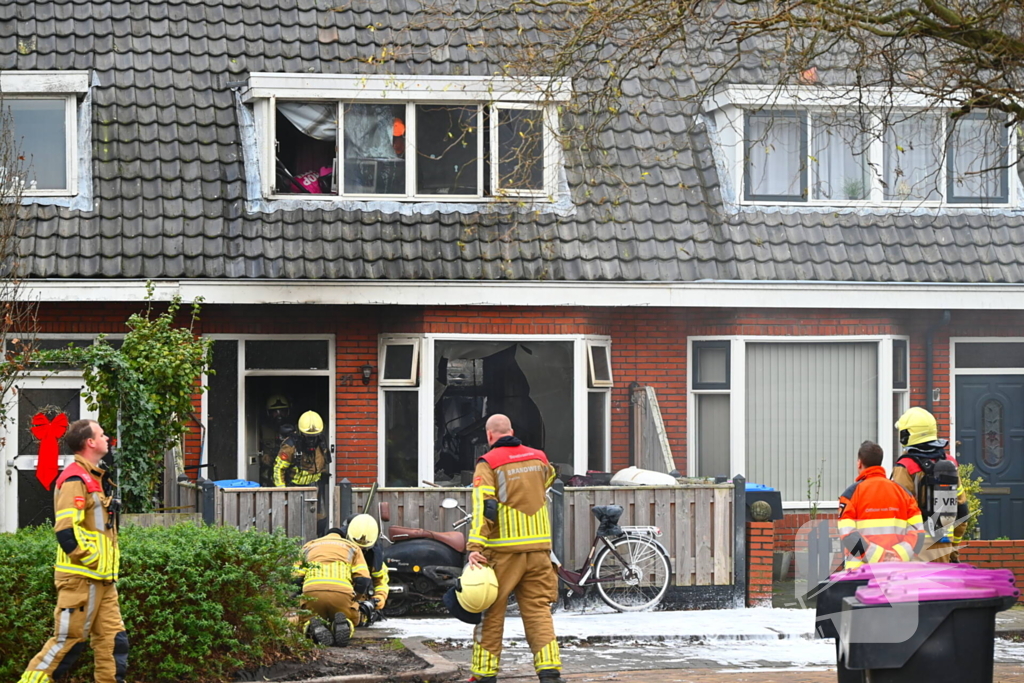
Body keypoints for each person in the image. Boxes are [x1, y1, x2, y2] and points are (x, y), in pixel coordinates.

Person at [18, 419, 129, 683]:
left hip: (102, 579)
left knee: (114, 643)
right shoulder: (74, 479)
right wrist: (93, 560)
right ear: (90, 442)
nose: (107, 438)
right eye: (102, 434)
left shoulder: (93, 477)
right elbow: (66, 532)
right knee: (66, 644)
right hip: (83, 578)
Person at [466, 414, 563, 683]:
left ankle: (484, 676)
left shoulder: (488, 464)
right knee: (538, 611)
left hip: (503, 552)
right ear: (512, 430)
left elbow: (484, 507)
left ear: (489, 436)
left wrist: (475, 546)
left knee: (491, 613)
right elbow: (549, 479)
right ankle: (549, 672)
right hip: (539, 550)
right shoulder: (539, 458)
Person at [892, 407, 969, 562]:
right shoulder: (950, 463)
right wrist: (953, 551)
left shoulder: (905, 467)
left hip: (914, 552)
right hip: (943, 548)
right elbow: (962, 512)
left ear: (908, 434)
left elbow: (898, 515)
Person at [838, 441, 925, 570]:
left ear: (859, 463)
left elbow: (848, 535)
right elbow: (918, 533)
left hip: (860, 574)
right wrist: (897, 555)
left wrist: (878, 556)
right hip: (896, 571)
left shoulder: (850, 495)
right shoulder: (904, 493)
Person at [296, 527, 372, 647]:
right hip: (342, 592)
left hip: (312, 591)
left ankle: (312, 627)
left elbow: (295, 578)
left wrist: (302, 596)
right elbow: (363, 579)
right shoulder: (352, 547)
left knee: (305, 620)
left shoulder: (308, 546)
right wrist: (355, 598)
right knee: (352, 618)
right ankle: (343, 624)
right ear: (342, 536)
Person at [274, 410, 331, 536]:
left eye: (314, 436)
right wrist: (282, 490)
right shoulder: (290, 446)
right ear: (300, 432)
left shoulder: (321, 442)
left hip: (315, 486)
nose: (312, 439)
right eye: (308, 436)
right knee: (294, 521)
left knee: (320, 521)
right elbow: (279, 469)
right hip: (294, 487)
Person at [342, 513, 390, 625]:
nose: (360, 551)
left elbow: (381, 579)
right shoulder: (337, 546)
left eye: (364, 549)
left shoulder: (374, 553)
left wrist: (380, 597)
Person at [259, 394, 292, 486]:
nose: (279, 415)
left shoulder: (294, 430)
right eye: (275, 412)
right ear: (269, 413)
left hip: (289, 473)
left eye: (282, 411)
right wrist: (267, 458)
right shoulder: (263, 430)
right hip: (268, 474)